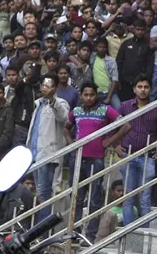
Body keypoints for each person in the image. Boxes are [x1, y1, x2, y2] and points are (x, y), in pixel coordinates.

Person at [64, 81, 130, 243]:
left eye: (91, 95)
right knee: (77, 198)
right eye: (85, 95)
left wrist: (109, 141)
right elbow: (66, 128)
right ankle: (75, 233)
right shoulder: (76, 111)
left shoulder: (105, 110)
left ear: (96, 95)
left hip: (96, 160)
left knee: (94, 199)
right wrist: (71, 143)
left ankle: (90, 235)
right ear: (81, 96)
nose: (88, 98)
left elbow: (126, 125)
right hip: (78, 159)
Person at [116, 74, 157, 226]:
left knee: (145, 197)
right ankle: (129, 233)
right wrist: (115, 144)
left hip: (148, 157)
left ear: (150, 90)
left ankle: (144, 234)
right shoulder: (125, 106)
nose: (143, 90)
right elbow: (111, 126)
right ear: (134, 89)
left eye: (146, 87)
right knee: (128, 197)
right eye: (140, 87)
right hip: (127, 156)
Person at [26, 73, 69, 223]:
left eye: (49, 86)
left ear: (55, 88)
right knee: (39, 193)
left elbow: (63, 117)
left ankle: (42, 230)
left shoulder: (60, 103)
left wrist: (52, 99)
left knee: (44, 194)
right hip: (35, 154)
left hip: (48, 155)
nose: (45, 88)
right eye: (44, 85)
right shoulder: (38, 103)